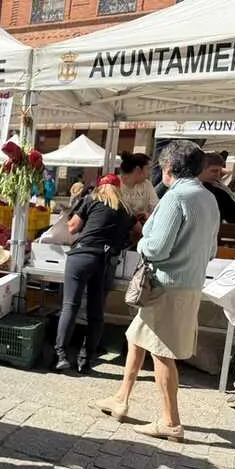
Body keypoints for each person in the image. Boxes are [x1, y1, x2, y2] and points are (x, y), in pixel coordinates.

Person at [91, 140, 220, 441]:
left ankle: (170, 422)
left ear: (168, 168)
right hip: (188, 285)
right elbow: (212, 249)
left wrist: (142, 241)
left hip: (166, 286)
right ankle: (121, 398)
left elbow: (157, 248)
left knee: (162, 353)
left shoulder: (176, 198)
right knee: (135, 337)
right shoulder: (208, 198)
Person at [53, 174, 136, 374]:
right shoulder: (126, 210)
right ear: (118, 189)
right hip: (105, 261)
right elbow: (138, 232)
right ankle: (86, 359)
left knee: (70, 306)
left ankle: (61, 356)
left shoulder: (90, 200)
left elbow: (72, 227)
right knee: (96, 312)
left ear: (100, 187)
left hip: (82, 255)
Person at [198, 152, 235, 223]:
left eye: (220, 171)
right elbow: (229, 217)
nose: (218, 174)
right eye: (214, 171)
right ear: (200, 170)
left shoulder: (214, 182)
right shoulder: (208, 189)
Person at [119, 152, 159, 221]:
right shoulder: (115, 183)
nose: (149, 173)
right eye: (148, 169)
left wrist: (147, 215)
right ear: (138, 169)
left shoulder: (147, 184)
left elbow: (156, 208)